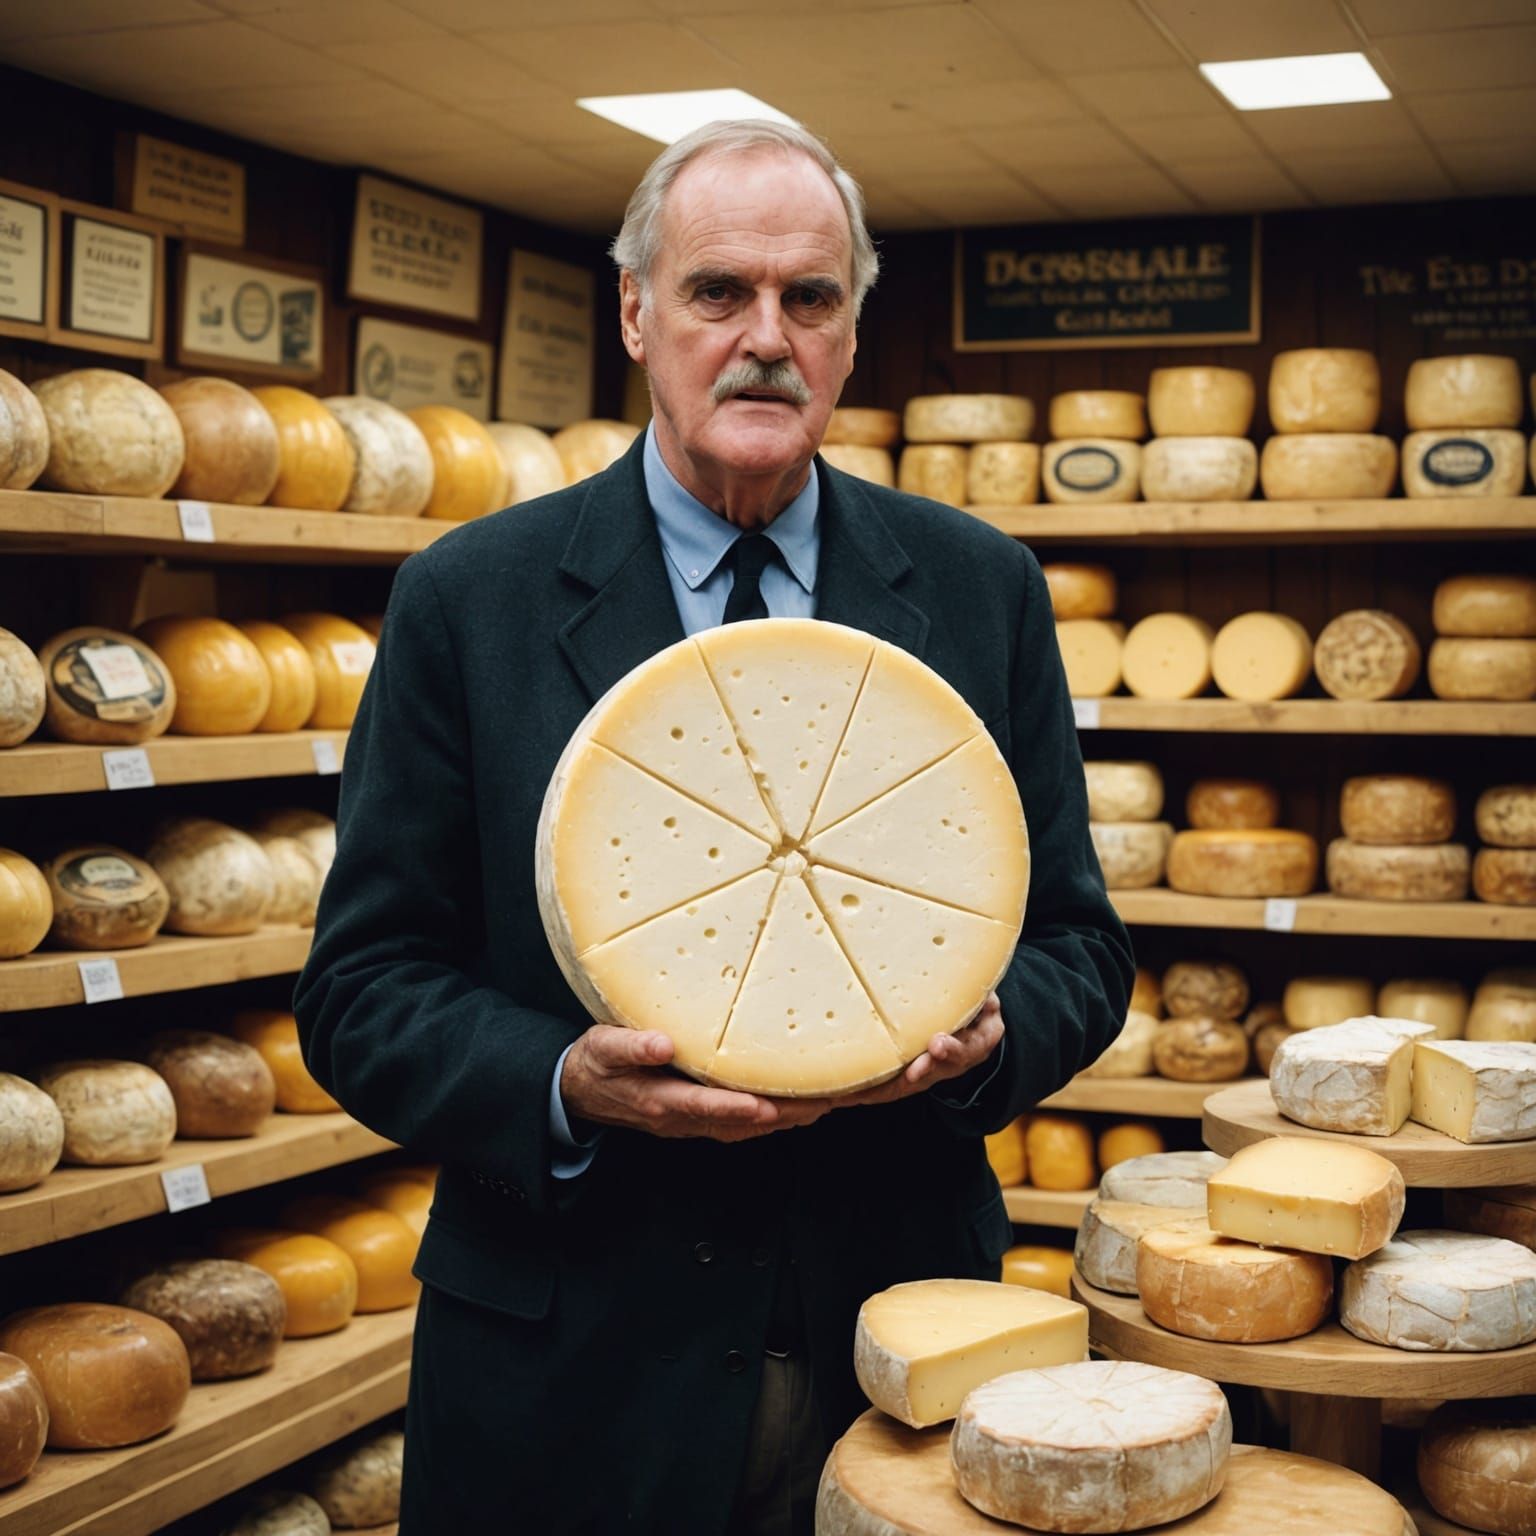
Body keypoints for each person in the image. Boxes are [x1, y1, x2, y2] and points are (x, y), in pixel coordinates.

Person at [294, 118, 1133, 1536]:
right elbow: (361, 991)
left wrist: (991, 1042)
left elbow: (1079, 947)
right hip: (574, 1365)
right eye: (718, 292)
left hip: (894, 1344)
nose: (766, 338)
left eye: (810, 299)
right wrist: (566, 1082)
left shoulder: (979, 586)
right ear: (637, 314)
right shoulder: (471, 597)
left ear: (851, 336)